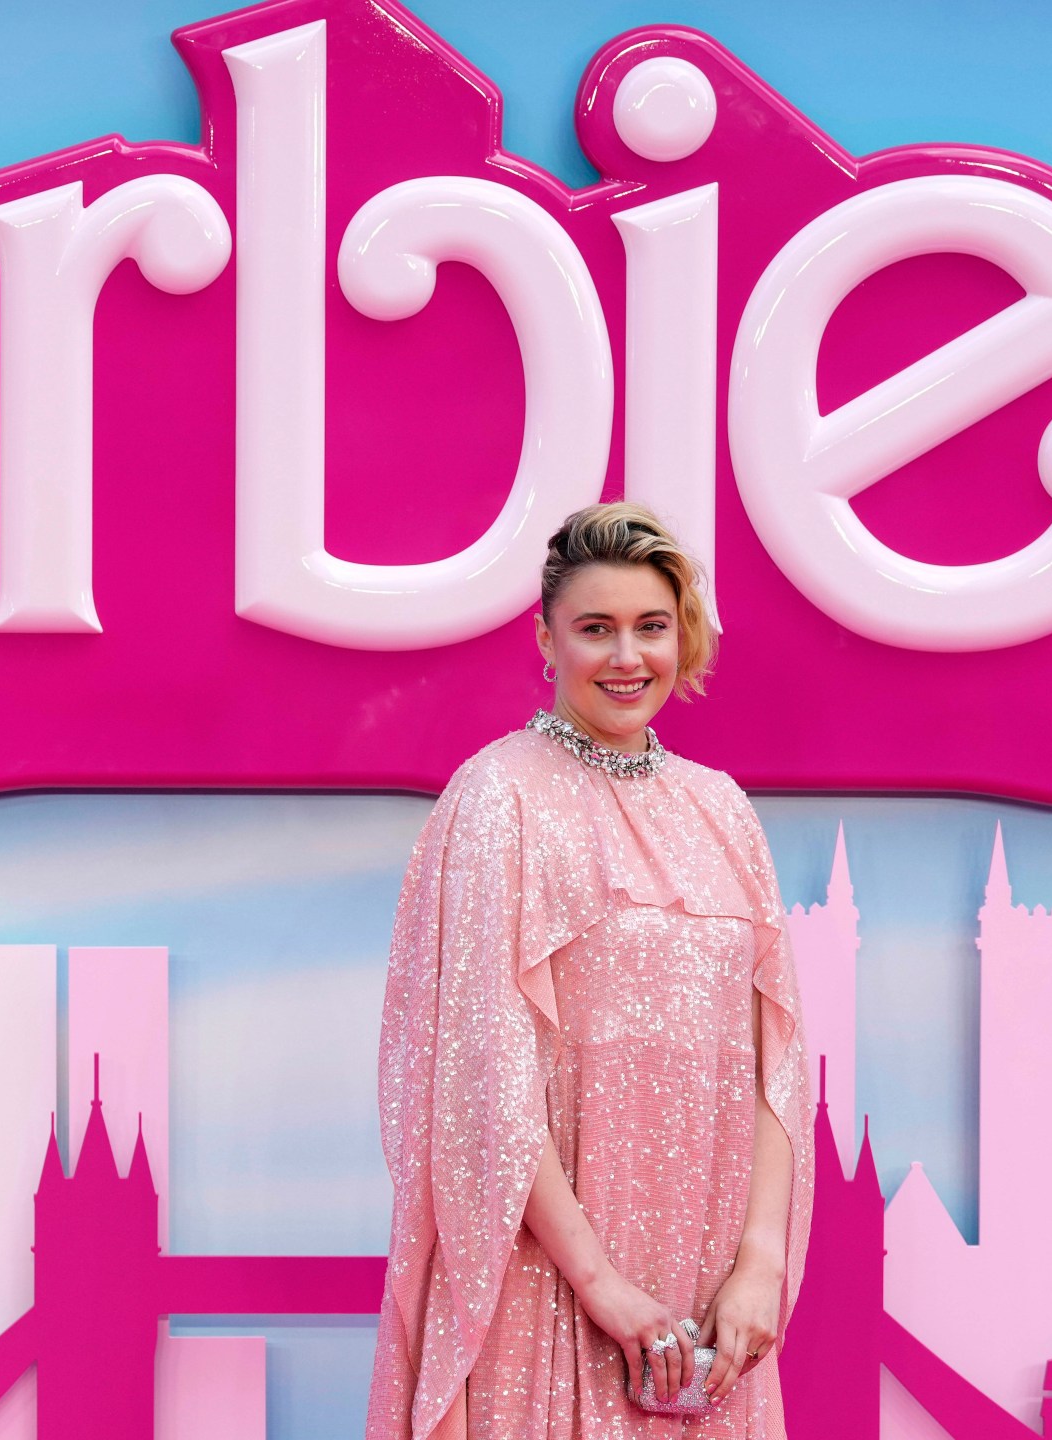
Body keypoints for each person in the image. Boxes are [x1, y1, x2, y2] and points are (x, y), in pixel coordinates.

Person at [367, 502, 815, 1439]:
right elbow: (481, 1082)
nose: (626, 658)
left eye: (651, 627)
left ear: (682, 634)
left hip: (709, 1298)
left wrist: (760, 1266)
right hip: (547, 1280)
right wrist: (603, 1286)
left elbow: (777, 1058)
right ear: (546, 639)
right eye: (595, 629)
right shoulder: (498, 798)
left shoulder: (722, 810)